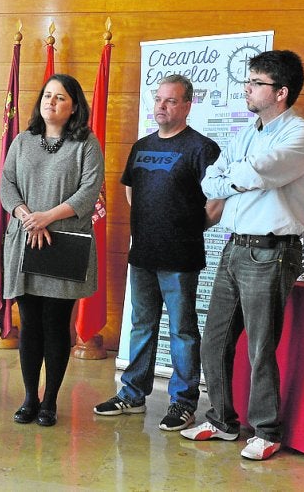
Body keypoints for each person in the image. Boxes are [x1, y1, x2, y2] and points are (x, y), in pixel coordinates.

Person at [181, 50, 304, 460]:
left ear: (281, 92)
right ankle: (222, 420)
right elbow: (213, 180)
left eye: (256, 82)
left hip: (271, 250)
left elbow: (255, 173)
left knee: (262, 345)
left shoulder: (302, 134)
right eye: (249, 80)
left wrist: (239, 176)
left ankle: (266, 429)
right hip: (235, 246)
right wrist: (238, 177)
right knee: (215, 339)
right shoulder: (246, 133)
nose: (247, 88)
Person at [94, 74, 221, 432]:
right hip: (143, 255)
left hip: (180, 257)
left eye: (170, 101)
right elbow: (131, 190)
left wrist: (186, 229)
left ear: (187, 105)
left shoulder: (201, 148)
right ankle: (132, 394)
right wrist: (149, 227)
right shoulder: (142, 145)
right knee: (141, 325)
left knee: (182, 331)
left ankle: (183, 402)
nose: (161, 107)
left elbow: (216, 201)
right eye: (158, 100)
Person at [0, 73, 104, 427]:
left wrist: (46, 218)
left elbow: (89, 192)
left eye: (60, 97)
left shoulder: (87, 144)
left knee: (56, 324)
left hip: (65, 242)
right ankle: (30, 398)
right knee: (29, 323)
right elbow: (6, 184)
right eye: (47, 95)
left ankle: (50, 401)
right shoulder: (23, 140)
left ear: (74, 105)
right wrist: (28, 217)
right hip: (25, 239)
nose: (51, 102)